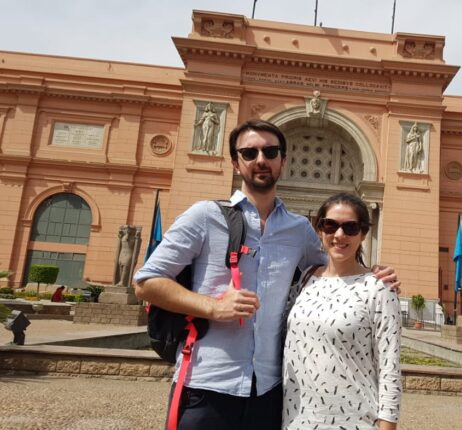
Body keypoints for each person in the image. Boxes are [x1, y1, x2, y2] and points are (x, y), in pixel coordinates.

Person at [133, 120, 399, 430]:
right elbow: (146, 282)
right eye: (249, 152)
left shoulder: (299, 230)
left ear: (283, 160)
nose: (261, 159)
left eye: (270, 151)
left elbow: (336, 265)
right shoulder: (204, 216)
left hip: (268, 394)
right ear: (236, 161)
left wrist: (373, 276)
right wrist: (213, 307)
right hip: (206, 384)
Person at [283, 193, 402, 430]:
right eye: (330, 225)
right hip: (296, 420)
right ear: (319, 230)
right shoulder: (304, 280)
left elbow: (390, 368)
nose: (339, 235)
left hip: (353, 421)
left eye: (350, 227)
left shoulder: (379, 288)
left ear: (364, 234)